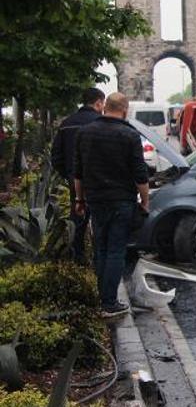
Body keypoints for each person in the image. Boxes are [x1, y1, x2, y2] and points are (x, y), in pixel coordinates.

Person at [74, 92, 149, 317]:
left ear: (104, 107)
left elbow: (78, 172)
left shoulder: (84, 132)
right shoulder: (129, 135)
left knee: (101, 249)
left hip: (96, 200)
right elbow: (140, 175)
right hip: (121, 200)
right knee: (116, 251)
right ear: (125, 110)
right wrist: (145, 201)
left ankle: (102, 297)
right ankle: (109, 303)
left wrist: (80, 199)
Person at [52, 87, 105, 264]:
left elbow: (56, 156)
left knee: (78, 219)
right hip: (100, 181)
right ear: (98, 102)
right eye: (102, 104)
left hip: (75, 180)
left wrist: (68, 175)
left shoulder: (67, 123)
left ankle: (79, 257)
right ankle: (99, 258)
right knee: (100, 220)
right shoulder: (103, 122)